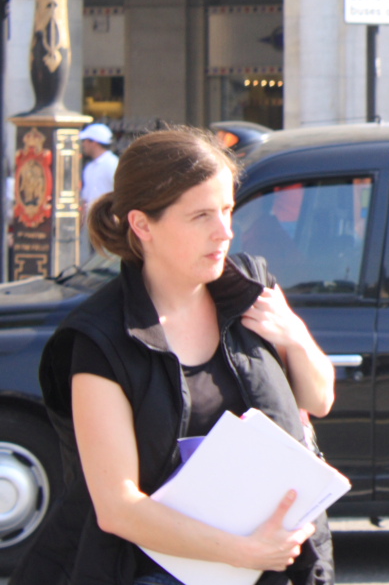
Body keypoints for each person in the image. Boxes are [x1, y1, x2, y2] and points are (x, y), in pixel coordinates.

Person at [28, 127, 336, 585]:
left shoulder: (251, 288)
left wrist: (294, 335)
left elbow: (320, 398)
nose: (225, 232)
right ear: (142, 225)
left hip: (281, 566)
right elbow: (117, 508)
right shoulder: (100, 339)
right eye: (201, 216)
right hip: (157, 572)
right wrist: (243, 552)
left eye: (229, 210)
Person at [79, 123, 118, 212]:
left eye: (85, 140)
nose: (83, 144)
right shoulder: (90, 167)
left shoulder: (112, 164)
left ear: (94, 142)